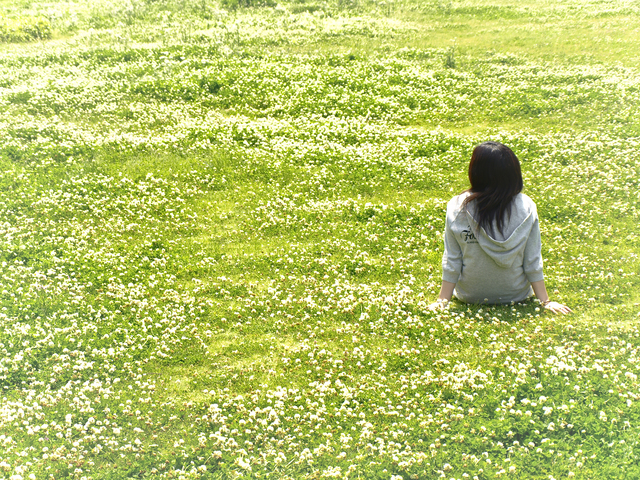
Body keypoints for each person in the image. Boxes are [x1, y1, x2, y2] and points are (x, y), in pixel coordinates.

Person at [429, 141, 571, 314]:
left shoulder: (457, 207)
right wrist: (545, 301)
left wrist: (442, 301)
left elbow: (452, 259)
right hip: (516, 294)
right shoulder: (526, 206)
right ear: (513, 173)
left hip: (470, 295)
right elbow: (532, 259)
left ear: (475, 172)